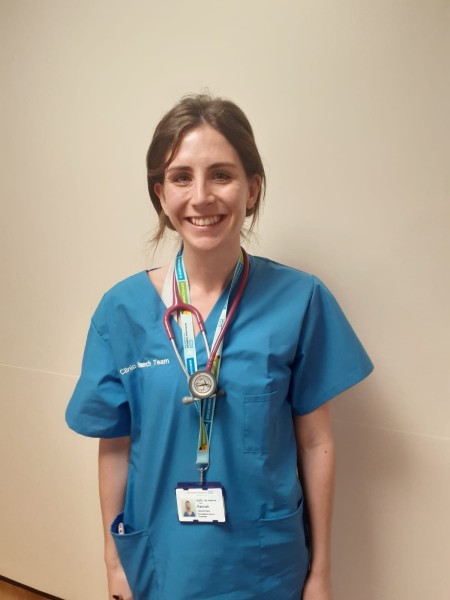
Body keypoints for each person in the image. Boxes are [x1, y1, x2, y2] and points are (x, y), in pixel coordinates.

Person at [66, 93, 373, 600]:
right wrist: (112, 561)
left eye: (222, 175)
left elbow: (317, 443)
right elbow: (115, 447)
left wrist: (320, 572)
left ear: (252, 189)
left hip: (264, 559)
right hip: (160, 558)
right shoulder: (120, 311)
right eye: (182, 176)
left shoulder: (301, 300)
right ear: (160, 193)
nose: (202, 196)